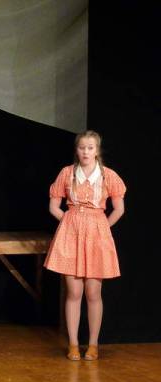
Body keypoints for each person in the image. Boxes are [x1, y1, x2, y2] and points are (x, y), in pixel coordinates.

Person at [44, 130, 126, 361]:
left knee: (93, 292)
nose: (86, 152)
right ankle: (72, 344)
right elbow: (54, 206)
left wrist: (102, 227)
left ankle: (93, 345)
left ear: (97, 150)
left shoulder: (108, 175)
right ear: (77, 150)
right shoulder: (67, 173)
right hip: (71, 236)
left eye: (90, 148)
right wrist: (69, 224)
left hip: (96, 237)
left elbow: (119, 209)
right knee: (74, 292)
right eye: (82, 148)